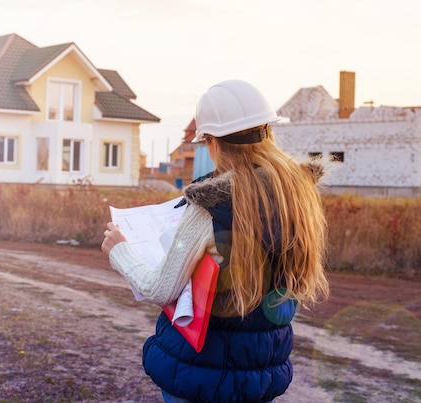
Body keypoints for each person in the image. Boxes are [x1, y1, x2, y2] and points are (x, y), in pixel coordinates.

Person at [101, 79, 329, 403]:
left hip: (201, 375)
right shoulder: (297, 194)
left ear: (212, 142)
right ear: (267, 129)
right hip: (261, 373)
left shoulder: (211, 205)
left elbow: (160, 288)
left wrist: (121, 251)